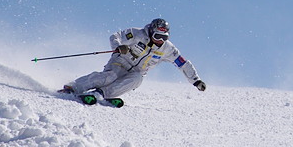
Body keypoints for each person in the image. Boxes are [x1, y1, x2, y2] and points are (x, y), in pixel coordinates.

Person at [60, 18, 206, 102]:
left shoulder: (167, 49)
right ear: (151, 32)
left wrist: (196, 80)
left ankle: (101, 94)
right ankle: (73, 87)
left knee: (137, 79)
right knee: (110, 76)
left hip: (136, 71)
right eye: (157, 37)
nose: (160, 41)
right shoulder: (136, 34)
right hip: (119, 62)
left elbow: (182, 63)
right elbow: (115, 36)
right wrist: (119, 46)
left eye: (164, 38)